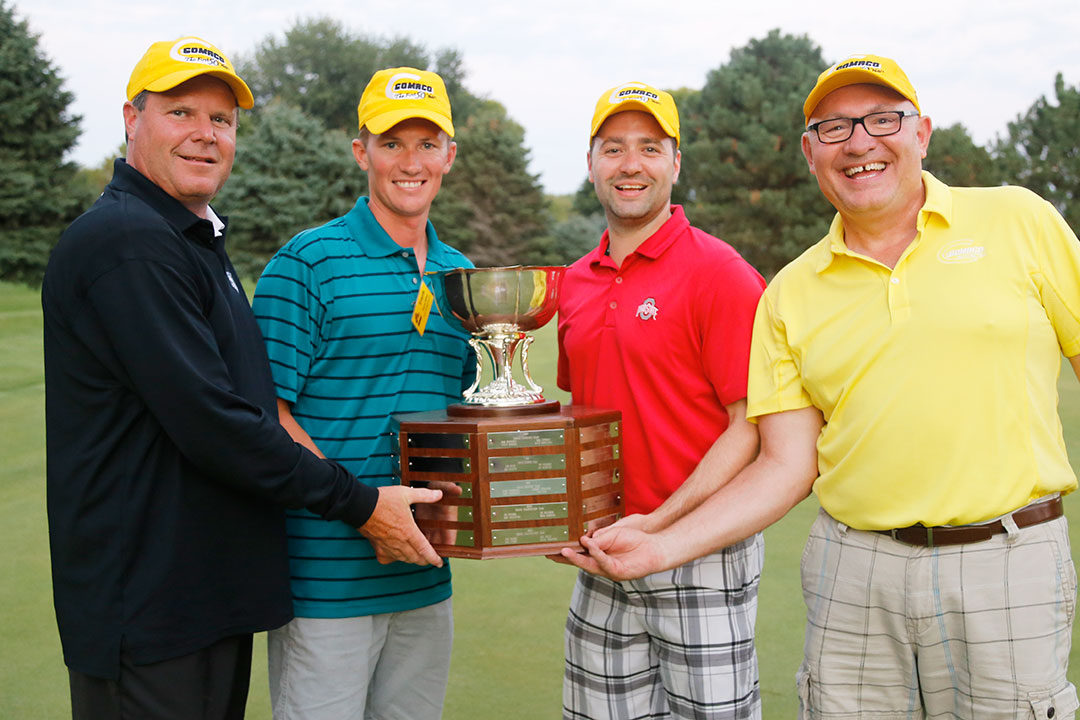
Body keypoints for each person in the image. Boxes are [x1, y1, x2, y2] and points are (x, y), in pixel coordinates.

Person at [562, 54, 1080, 719]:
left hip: (1004, 558)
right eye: (834, 128)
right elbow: (784, 462)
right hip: (852, 570)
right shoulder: (792, 292)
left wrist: (663, 526)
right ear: (811, 153)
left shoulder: (1019, 220)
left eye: (882, 119)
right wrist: (660, 545)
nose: (859, 143)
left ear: (921, 134)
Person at [42, 38, 443, 720]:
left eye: (221, 119)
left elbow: (242, 404)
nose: (205, 133)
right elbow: (219, 424)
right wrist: (360, 503)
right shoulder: (128, 242)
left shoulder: (188, 239)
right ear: (132, 119)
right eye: (181, 112)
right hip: (148, 603)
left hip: (201, 596)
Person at [250, 66, 473, 720]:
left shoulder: (462, 276)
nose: (411, 162)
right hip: (325, 581)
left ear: (449, 156)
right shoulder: (307, 262)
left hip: (425, 576)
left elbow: (459, 417)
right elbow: (266, 415)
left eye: (427, 144)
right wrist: (364, 511)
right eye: (391, 143)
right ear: (361, 152)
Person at [556, 81, 767, 720]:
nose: (631, 164)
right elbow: (581, 419)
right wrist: (554, 516)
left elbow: (749, 428)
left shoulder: (721, 272)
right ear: (591, 163)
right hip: (604, 551)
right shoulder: (573, 282)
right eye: (613, 148)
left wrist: (661, 524)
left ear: (675, 163)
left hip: (702, 546)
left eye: (650, 148)